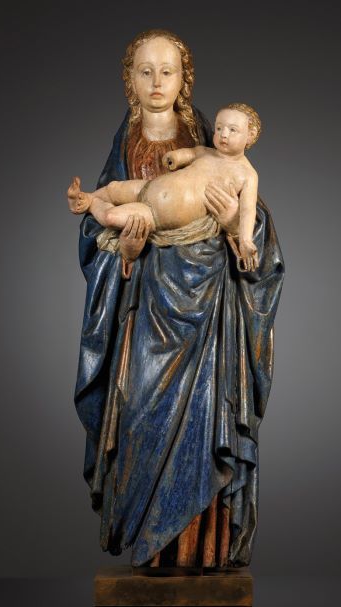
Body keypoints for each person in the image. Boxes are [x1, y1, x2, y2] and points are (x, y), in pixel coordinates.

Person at [70, 29, 284, 568]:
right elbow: (97, 230)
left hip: (207, 308)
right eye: (145, 71)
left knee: (201, 421)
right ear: (130, 80)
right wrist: (126, 251)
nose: (157, 82)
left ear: (184, 79)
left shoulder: (214, 140)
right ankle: (149, 548)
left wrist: (233, 222)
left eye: (168, 71)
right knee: (139, 412)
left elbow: (256, 231)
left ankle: (195, 553)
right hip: (144, 305)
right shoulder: (124, 147)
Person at [69, 103, 261, 272]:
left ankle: (91, 203)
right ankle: (84, 197)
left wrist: (244, 239)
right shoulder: (207, 152)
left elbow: (248, 210)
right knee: (113, 188)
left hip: (157, 215)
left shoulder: (247, 175)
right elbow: (191, 153)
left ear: (250, 135)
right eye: (219, 128)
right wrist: (175, 157)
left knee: (111, 217)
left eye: (232, 130)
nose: (223, 134)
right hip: (148, 187)